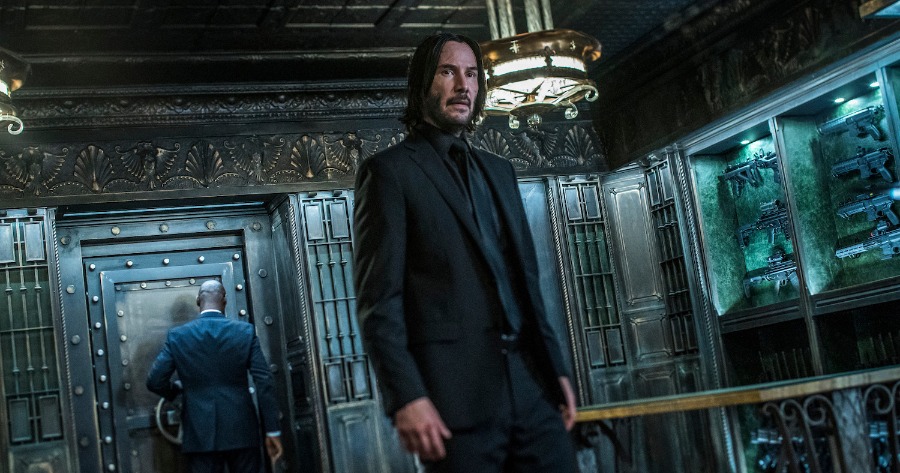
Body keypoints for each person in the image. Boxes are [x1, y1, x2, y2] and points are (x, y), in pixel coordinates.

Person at [353, 32, 577, 472]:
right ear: (423, 83)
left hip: (531, 386)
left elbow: (527, 286)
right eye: (448, 72)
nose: (463, 86)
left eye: (472, 74)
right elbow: (379, 302)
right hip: (455, 398)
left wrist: (557, 369)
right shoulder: (388, 173)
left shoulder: (500, 171)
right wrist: (407, 396)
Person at [146, 280, 283, 473]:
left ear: (198, 301)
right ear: (224, 301)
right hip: (242, 430)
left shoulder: (178, 336)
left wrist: (176, 392)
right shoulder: (244, 332)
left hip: (199, 432)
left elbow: (154, 381)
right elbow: (264, 381)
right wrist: (272, 430)